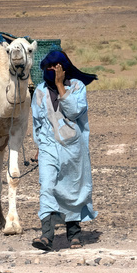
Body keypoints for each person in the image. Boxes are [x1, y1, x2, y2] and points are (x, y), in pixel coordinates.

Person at [30, 49, 97, 251]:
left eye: (54, 67)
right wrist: (39, 146)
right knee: (47, 186)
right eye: (47, 68)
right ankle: (46, 236)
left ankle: (74, 234)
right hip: (49, 146)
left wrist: (60, 86)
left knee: (71, 188)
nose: (50, 71)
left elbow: (74, 111)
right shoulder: (40, 91)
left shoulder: (77, 87)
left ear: (62, 69)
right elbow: (37, 123)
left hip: (73, 146)